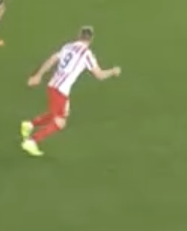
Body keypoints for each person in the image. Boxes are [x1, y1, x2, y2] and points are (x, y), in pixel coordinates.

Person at [22, 26, 120, 156]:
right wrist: (113, 71)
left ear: (79, 35)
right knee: (60, 122)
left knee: (60, 113)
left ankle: (29, 124)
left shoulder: (68, 46)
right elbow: (99, 75)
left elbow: (52, 59)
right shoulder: (86, 54)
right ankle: (32, 141)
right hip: (60, 90)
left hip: (53, 85)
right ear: (91, 39)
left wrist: (38, 75)